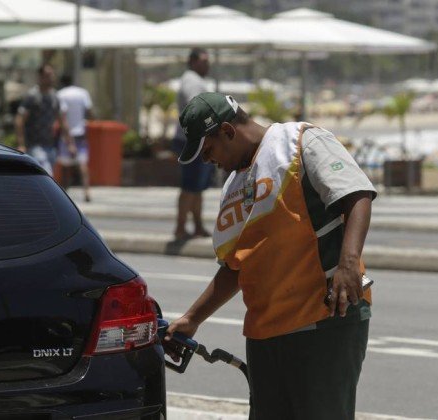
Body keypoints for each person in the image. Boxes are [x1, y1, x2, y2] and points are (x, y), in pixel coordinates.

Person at [166, 92, 376, 420]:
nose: (208, 161)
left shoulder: (300, 142)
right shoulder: (234, 185)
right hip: (265, 331)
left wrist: (349, 263)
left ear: (227, 131)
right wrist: (193, 317)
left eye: (208, 150)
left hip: (322, 321)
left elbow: (356, 193)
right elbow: (237, 265)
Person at [172, 48, 215, 240]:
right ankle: (180, 227)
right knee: (190, 186)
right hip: (192, 140)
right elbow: (194, 107)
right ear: (193, 61)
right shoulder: (192, 80)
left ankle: (197, 226)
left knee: (198, 187)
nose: (207, 64)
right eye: (204, 61)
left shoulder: (194, 79)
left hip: (197, 139)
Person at [16, 64, 73, 175]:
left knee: (43, 177)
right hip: (35, 145)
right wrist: (21, 144)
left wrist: (70, 143)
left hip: (50, 146)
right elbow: (19, 120)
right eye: (48, 75)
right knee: (47, 174)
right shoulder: (32, 96)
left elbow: (62, 121)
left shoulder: (55, 97)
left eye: (52, 75)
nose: (51, 78)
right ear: (41, 77)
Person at [57, 74, 94, 202]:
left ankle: (64, 194)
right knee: (82, 163)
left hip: (67, 134)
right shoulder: (82, 93)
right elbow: (89, 111)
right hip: (80, 132)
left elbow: (62, 117)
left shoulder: (60, 94)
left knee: (66, 166)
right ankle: (87, 191)